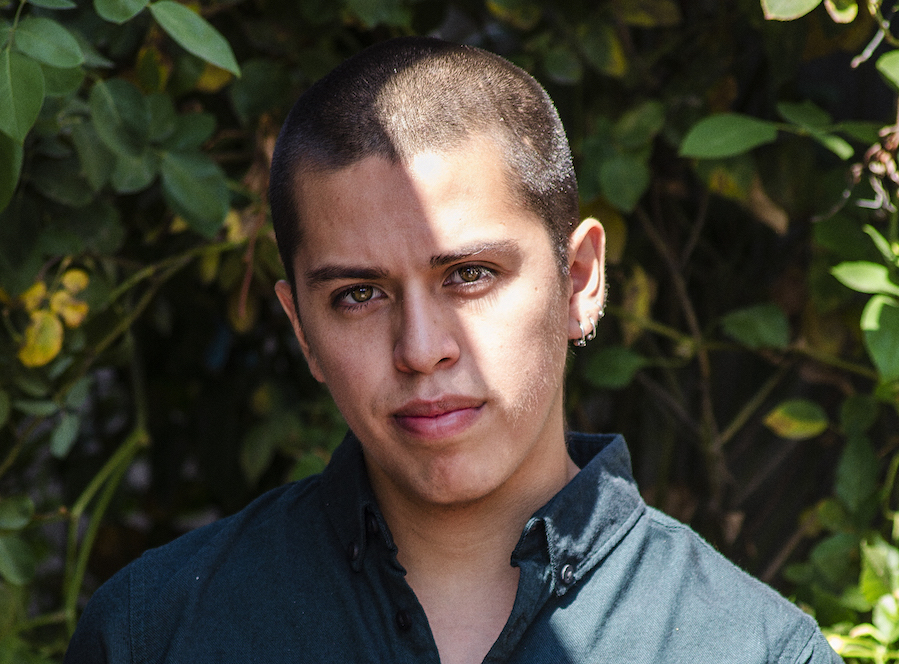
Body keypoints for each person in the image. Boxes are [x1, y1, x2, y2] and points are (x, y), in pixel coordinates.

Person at [64, 37, 840, 663]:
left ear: (577, 281)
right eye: (357, 294)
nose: (421, 350)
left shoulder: (751, 650)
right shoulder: (152, 634)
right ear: (301, 328)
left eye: (469, 275)